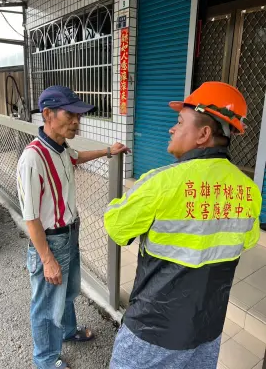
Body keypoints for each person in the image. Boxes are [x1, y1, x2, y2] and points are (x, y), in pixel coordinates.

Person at [104, 81, 262, 369]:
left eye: (179, 122)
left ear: (203, 134)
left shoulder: (161, 181)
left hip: (152, 331)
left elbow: (117, 227)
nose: (171, 129)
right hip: (208, 330)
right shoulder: (248, 190)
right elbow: (248, 240)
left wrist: (122, 202)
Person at [17, 85, 130, 369]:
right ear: (47, 114)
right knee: (45, 308)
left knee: (67, 293)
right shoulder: (33, 158)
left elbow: (77, 158)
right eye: (71, 114)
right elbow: (30, 218)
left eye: (78, 115)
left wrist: (107, 151)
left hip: (70, 234)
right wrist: (46, 259)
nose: (77, 121)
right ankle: (44, 360)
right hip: (50, 242)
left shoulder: (61, 148)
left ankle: (67, 332)